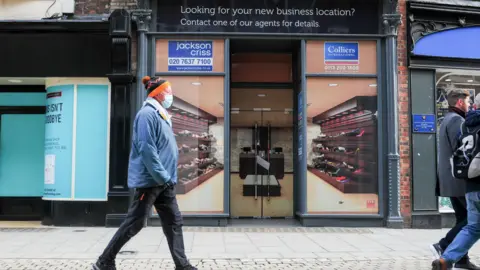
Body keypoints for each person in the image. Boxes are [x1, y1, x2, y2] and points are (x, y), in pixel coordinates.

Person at [93, 76, 197, 270]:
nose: (170, 95)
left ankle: (182, 265)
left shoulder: (161, 114)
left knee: (174, 222)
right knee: (135, 222)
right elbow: (146, 149)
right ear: (157, 94)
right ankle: (104, 261)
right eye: (167, 92)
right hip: (151, 181)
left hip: (164, 182)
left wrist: (167, 178)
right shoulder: (147, 115)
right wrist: (162, 176)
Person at [430, 88, 480, 270]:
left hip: (453, 179)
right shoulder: (457, 121)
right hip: (459, 180)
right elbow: (463, 151)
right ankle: (444, 245)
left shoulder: (447, 120)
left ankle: (461, 259)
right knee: (471, 221)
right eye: (467, 102)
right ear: (460, 102)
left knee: (464, 218)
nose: (469, 105)